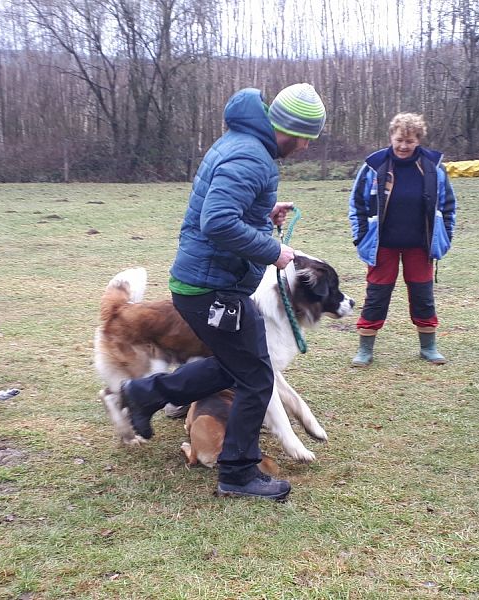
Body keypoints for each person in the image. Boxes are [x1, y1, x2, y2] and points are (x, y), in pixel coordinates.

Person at [117, 83, 326, 501]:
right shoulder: (252, 157)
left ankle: (143, 394)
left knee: (237, 365)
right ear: (290, 129)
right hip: (211, 287)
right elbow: (217, 222)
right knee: (256, 375)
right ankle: (238, 472)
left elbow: (227, 212)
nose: (304, 149)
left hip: (210, 282)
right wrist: (276, 251)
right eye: (305, 140)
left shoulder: (244, 144)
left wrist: (261, 215)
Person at [348, 112, 457, 366]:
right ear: (391, 137)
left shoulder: (433, 168)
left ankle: (428, 347)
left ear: (418, 140)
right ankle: (365, 348)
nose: (403, 146)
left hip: (420, 245)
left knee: (423, 295)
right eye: (399, 139)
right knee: (376, 295)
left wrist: (445, 236)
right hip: (381, 244)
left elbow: (448, 205)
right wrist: (361, 236)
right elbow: (357, 204)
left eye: (410, 141)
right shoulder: (374, 166)